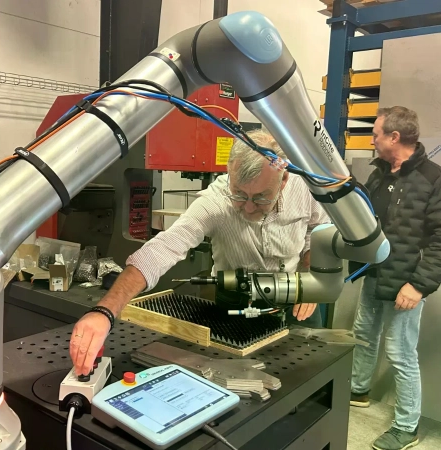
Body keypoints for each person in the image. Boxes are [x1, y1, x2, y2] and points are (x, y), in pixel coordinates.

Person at [70, 130, 330, 376]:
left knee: (309, 379)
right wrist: (105, 311)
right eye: (240, 194)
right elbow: (164, 248)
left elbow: (318, 231)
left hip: (298, 301)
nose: (249, 208)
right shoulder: (215, 202)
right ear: (230, 171)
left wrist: (311, 278)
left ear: (283, 180)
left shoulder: (304, 188)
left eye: (262, 197)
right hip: (234, 309)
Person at [349, 106, 441, 450]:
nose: (372, 140)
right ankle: (357, 390)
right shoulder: (380, 174)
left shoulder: (433, 178)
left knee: (400, 353)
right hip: (374, 272)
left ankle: (406, 428)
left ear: (394, 137)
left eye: (375, 134)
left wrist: (418, 286)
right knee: (363, 336)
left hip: (406, 282)